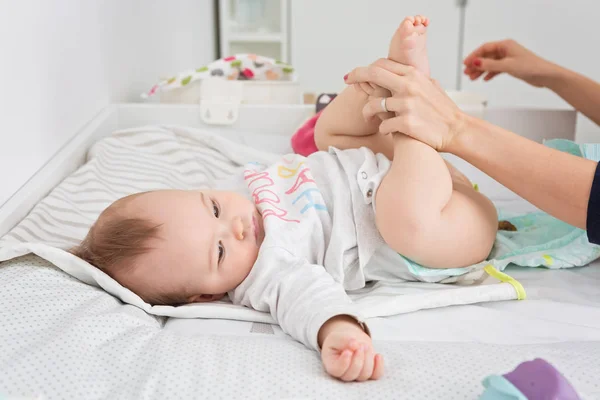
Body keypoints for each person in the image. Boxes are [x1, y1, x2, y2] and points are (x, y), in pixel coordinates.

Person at [71, 16, 498, 383]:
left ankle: (387, 80)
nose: (236, 226)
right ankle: (412, 115)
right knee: (403, 220)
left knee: (326, 135)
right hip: (447, 222)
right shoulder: (264, 274)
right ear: (206, 296)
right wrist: (340, 333)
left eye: (214, 209)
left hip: (392, 168)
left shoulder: (232, 188)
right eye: (220, 251)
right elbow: (308, 300)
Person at [342, 38, 600, 244]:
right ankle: (394, 82)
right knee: (335, 135)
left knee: (424, 223)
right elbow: (328, 136)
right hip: (339, 180)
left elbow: (416, 226)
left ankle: (399, 92)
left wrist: (455, 128)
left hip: (375, 206)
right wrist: (553, 75)